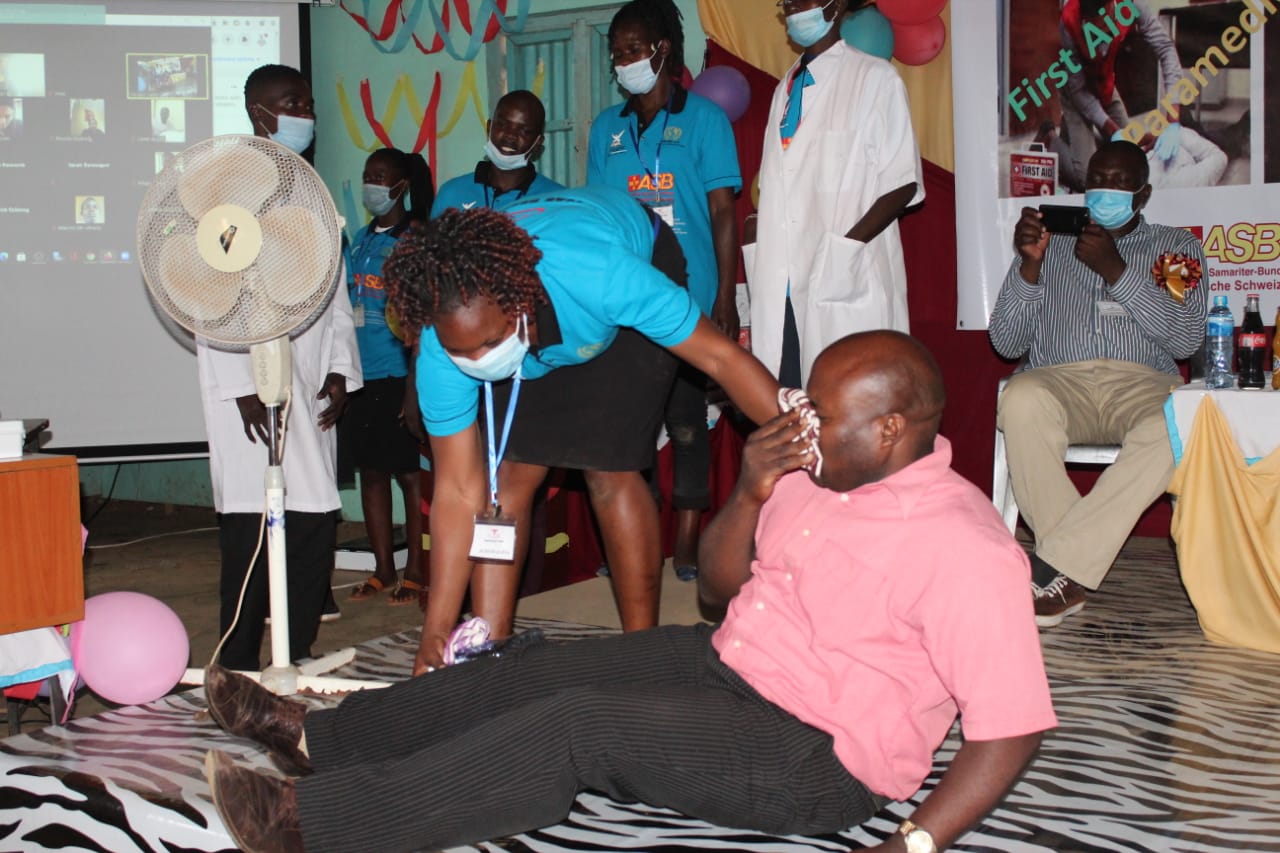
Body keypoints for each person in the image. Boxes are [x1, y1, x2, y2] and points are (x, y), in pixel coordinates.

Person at [200, 330, 1057, 853]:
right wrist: (752, 488)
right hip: (728, 662)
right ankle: (320, 736)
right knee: (534, 668)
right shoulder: (814, 470)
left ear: (891, 429)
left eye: (820, 414)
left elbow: (1012, 726)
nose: (799, 420)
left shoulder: (964, 545)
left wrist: (913, 840)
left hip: (817, 754)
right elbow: (718, 589)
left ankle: (316, 824)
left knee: (577, 728)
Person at [390, 185, 780, 672]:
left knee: (608, 469)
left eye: (487, 345)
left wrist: (802, 435)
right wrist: (434, 634)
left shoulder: (603, 276)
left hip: (621, 271)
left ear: (521, 304)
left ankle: (640, 652)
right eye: (461, 353)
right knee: (505, 480)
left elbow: (721, 358)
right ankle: (487, 651)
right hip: (533, 312)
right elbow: (456, 491)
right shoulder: (444, 343)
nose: (477, 363)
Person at [989, 140, 1208, 628]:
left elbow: (1186, 338)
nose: (1105, 191)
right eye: (1097, 181)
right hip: (1059, 380)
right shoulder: (1050, 243)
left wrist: (1117, 271)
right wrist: (1029, 265)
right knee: (1020, 398)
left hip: (1144, 384)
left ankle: (1056, 567)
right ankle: (1071, 567)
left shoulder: (1174, 248)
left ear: (1143, 194)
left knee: (1180, 419)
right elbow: (1006, 341)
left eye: (1119, 183)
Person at [196, 63, 361, 670]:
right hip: (250, 389)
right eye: (292, 103)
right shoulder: (224, 194)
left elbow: (336, 294)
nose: (304, 114)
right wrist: (243, 386)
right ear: (258, 112)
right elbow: (206, 294)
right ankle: (238, 661)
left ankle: (298, 650)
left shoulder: (310, 191)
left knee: (314, 518)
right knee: (250, 530)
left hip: (309, 381)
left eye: (308, 103)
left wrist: (340, 369)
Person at [588, 0, 742, 582]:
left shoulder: (705, 120)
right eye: (617, 53)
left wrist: (724, 298)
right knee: (629, 426)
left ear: (663, 50)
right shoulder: (606, 129)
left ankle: (687, 541)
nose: (624, 61)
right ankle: (637, 538)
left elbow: (723, 212)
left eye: (633, 49)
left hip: (690, 297)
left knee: (686, 422)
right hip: (627, 300)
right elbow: (600, 216)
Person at [748, 0, 922, 388]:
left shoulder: (875, 79)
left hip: (844, 279)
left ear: (837, 4)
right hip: (783, 287)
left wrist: (843, 251)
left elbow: (902, 182)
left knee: (850, 401)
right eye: (787, 1)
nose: (793, 7)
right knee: (791, 401)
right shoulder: (784, 89)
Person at [341, 147, 433, 607]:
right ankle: (382, 569)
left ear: (401, 186)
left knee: (410, 476)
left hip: (399, 373)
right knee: (371, 473)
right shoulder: (359, 240)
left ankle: (415, 571)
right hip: (361, 374)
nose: (371, 185)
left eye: (380, 177)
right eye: (367, 175)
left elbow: (422, 316)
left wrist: (413, 385)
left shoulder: (415, 240)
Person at [1056, 0, 1184, 192]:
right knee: (1089, 179)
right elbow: (1078, 91)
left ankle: (1075, 133)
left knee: (1130, 153)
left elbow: (1165, 49)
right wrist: (1112, 130)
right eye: (1093, 26)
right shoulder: (1069, 20)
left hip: (1104, 82)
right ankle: (1050, 139)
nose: (1101, 32)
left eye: (1105, 24)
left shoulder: (1132, 3)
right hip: (1075, 90)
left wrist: (1173, 119)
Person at [430, 90, 561, 215]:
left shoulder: (556, 200)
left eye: (524, 131)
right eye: (503, 125)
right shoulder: (452, 193)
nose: (510, 135)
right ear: (489, 128)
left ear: (537, 142)